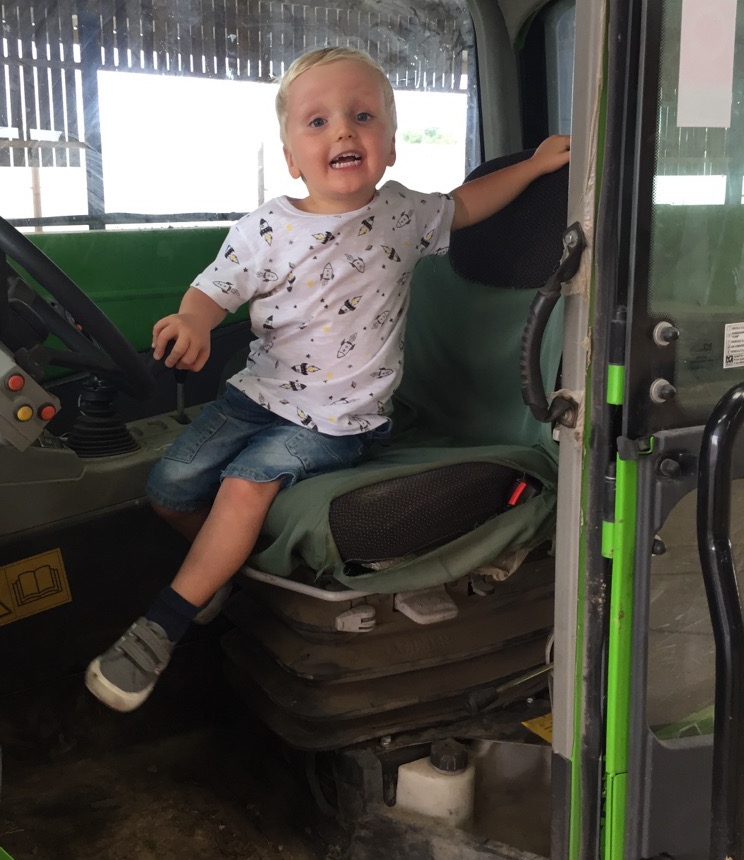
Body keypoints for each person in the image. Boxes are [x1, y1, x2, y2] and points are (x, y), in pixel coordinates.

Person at [85, 46, 570, 712]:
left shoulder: (402, 216)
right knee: (167, 486)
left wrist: (536, 166)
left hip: (342, 421)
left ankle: (161, 625)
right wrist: (193, 322)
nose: (342, 129)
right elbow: (213, 289)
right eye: (317, 122)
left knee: (244, 485)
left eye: (362, 115)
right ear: (290, 158)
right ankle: (217, 572)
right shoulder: (264, 230)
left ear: (390, 145)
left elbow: (466, 205)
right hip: (256, 396)